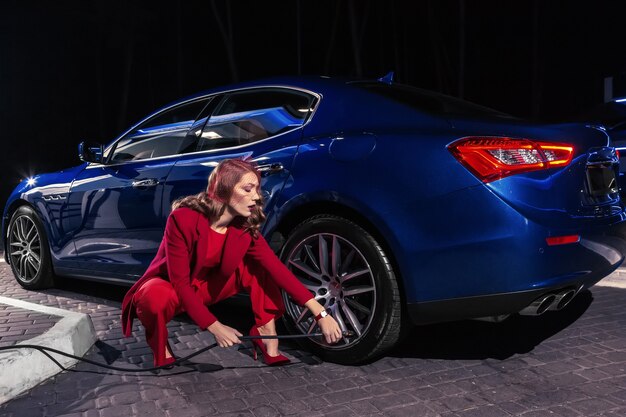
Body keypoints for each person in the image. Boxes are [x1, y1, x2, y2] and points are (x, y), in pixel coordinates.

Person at [121, 158, 342, 367]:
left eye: (256, 189)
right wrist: (215, 326)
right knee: (153, 296)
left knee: (261, 266)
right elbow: (180, 283)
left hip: (207, 287)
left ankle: (265, 334)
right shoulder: (183, 219)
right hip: (174, 288)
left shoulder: (243, 228)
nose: (256, 197)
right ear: (223, 190)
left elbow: (278, 271)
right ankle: (159, 343)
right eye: (248, 189)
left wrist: (320, 313)